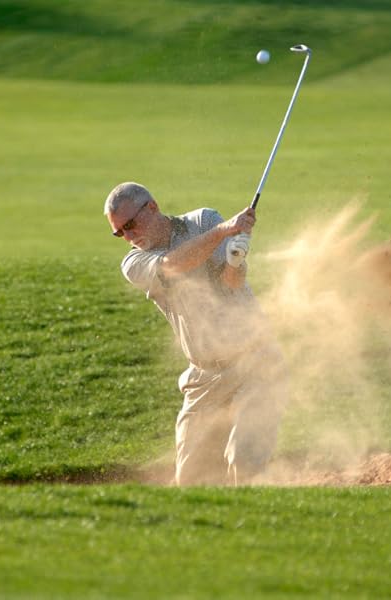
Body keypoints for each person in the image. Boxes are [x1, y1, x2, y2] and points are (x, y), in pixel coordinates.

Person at [104, 182, 288, 486]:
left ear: (152, 207)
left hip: (256, 362)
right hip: (204, 377)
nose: (129, 236)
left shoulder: (202, 221)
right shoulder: (134, 263)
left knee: (244, 462)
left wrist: (235, 260)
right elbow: (172, 265)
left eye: (131, 225)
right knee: (191, 482)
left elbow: (232, 283)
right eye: (119, 232)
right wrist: (223, 232)